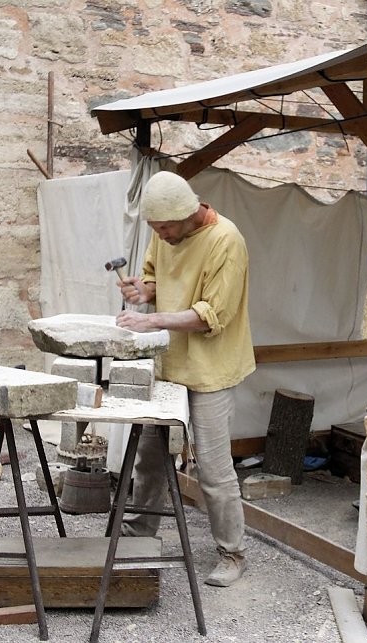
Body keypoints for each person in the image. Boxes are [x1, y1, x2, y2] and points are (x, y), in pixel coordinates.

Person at [114, 170, 255, 587]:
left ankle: (232, 553)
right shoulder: (165, 229)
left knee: (213, 468)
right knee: (151, 459)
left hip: (212, 367)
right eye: (154, 228)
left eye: (164, 228)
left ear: (185, 213)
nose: (159, 234)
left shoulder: (227, 242)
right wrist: (145, 291)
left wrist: (151, 318)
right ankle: (138, 534)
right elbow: (155, 273)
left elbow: (212, 314)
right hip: (170, 362)